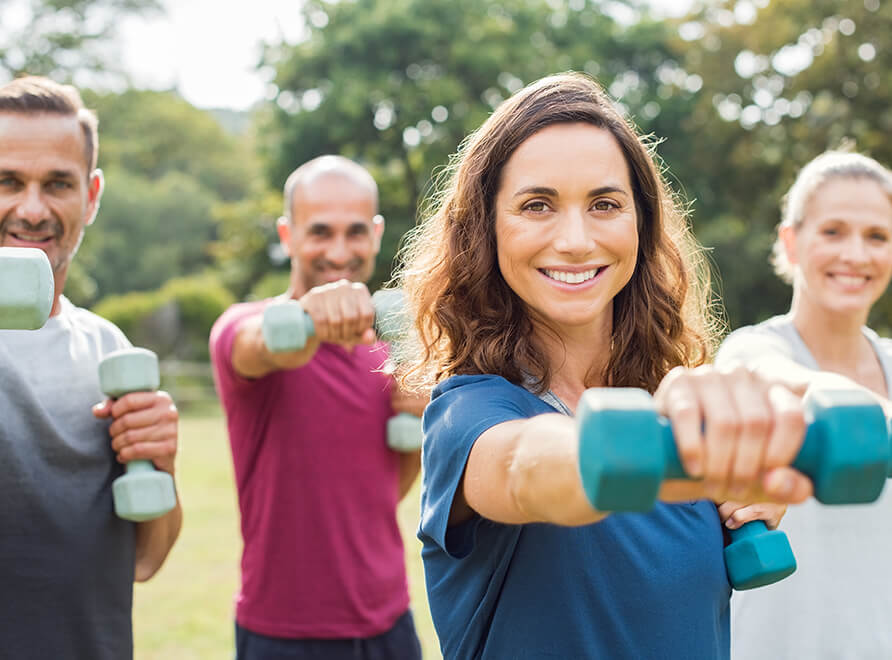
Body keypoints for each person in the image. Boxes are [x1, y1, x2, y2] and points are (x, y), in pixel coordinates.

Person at [395, 72, 815, 659]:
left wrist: (744, 480)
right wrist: (691, 458)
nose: (574, 239)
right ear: (485, 229)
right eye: (537, 205)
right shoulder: (468, 415)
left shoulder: (675, 417)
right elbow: (530, 470)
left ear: (640, 226)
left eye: (605, 204)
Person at [209, 155, 424, 660]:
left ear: (375, 234)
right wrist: (309, 315)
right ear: (287, 235)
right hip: (282, 633)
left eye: (354, 233)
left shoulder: (391, 354)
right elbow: (266, 345)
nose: (339, 251)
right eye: (320, 232)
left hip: (390, 621)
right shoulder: (241, 328)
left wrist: (414, 418)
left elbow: (382, 492)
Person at [0, 76, 182, 659]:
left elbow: (146, 560)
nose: (31, 209)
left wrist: (164, 463)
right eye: (7, 181)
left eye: (57, 183)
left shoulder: (109, 348)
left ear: (92, 195)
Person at [715, 150, 892, 659]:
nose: (856, 254)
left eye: (876, 236)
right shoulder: (753, 352)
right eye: (833, 231)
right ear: (791, 243)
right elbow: (785, 383)